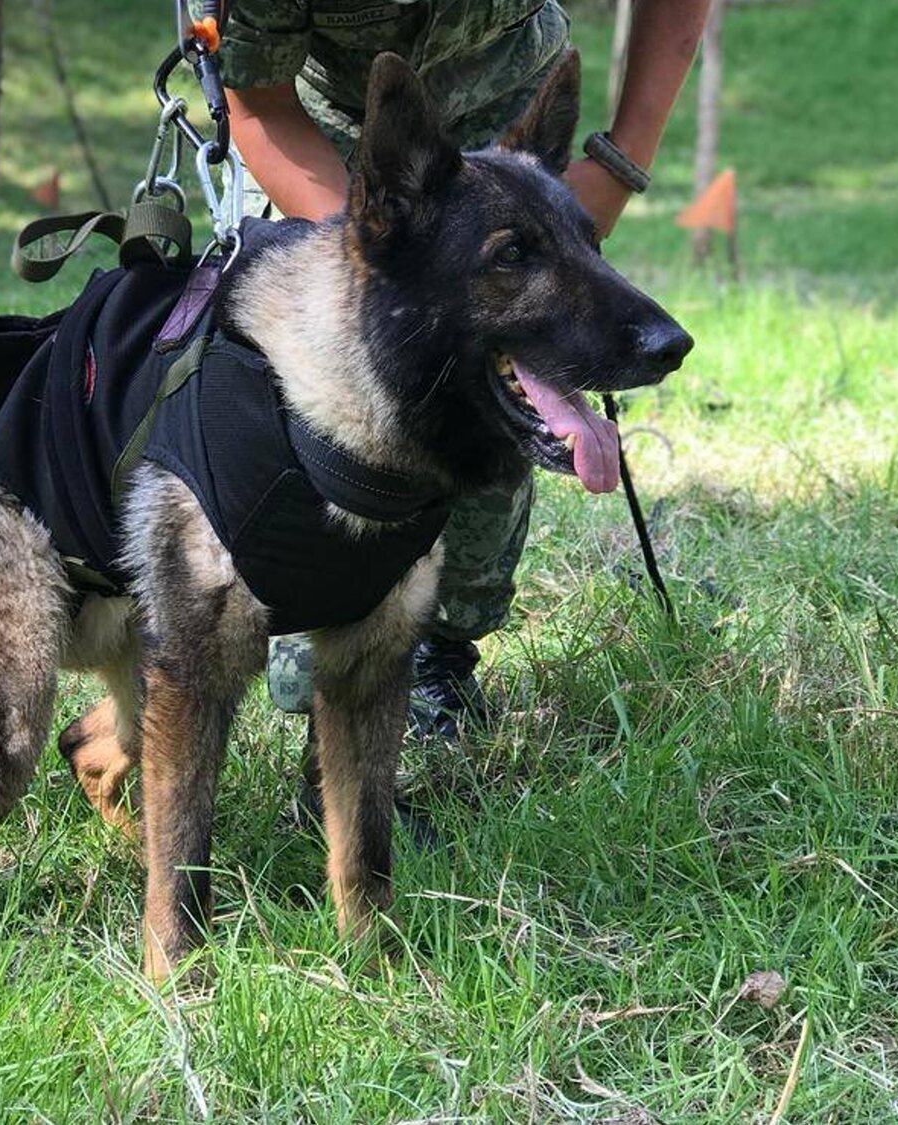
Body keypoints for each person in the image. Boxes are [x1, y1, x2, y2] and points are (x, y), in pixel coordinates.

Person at [219, 0, 711, 756]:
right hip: (336, 148)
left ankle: (439, 660)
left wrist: (617, 163)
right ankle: (324, 688)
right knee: (331, 447)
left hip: (516, 118)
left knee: (491, 421)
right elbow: (259, 106)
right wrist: (379, 258)